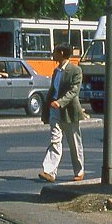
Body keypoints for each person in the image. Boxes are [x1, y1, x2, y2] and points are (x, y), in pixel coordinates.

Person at [38, 44, 86, 183]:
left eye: (55, 52)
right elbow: (53, 90)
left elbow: (74, 91)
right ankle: (49, 172)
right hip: (54, 111)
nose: (53, 54)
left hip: (69, 111)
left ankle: (79, 171)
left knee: (74, 143)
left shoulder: (75, 70)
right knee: (55, 140)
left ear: (62, 53)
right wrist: (47, 108)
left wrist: (60, 102)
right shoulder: (56, 71)